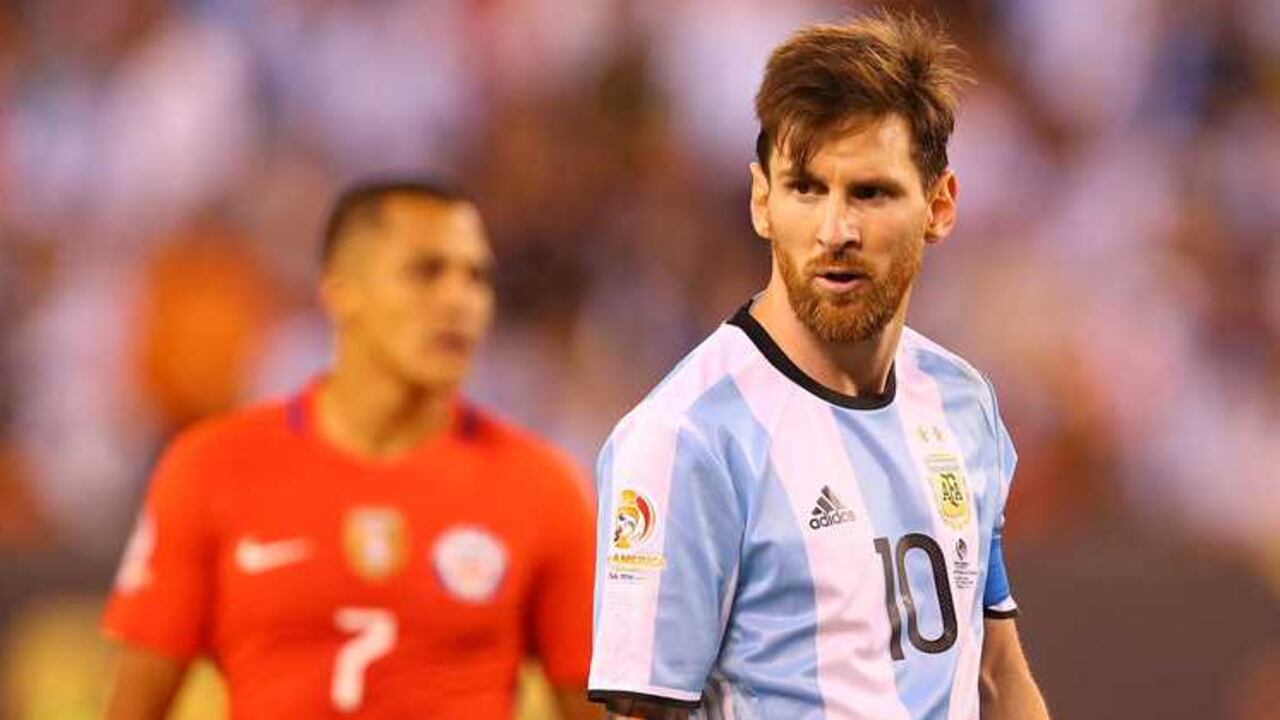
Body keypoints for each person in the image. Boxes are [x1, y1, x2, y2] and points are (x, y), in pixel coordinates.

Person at [587, 12, 1050, 720]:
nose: (836, 231)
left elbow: (995, 672)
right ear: (761, 201)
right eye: (806, 188)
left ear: (939, 206)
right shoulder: (685, 439)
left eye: (870, 192)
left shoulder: (960, 400)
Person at [102, 179, 600, 720]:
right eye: (426, 271)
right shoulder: (211, 469)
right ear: (341, 292)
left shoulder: (544, 488)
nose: (460, 301)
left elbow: (593, 708)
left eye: (477, 278)